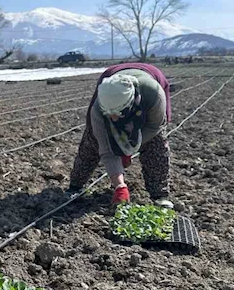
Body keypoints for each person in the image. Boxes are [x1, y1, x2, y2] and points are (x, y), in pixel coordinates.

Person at [68, 62, 173, 207]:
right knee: (92, 141)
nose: (113, 118)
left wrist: (130, 147)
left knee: (156, 143)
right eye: (109, 114)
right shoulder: (98, 110)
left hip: (151, 79)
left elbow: (154, 126)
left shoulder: (153, 94)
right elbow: (106, 150)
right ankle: (75, 186)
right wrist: (120, 186)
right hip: (111, 76)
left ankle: (159, 194)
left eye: (117, 113)